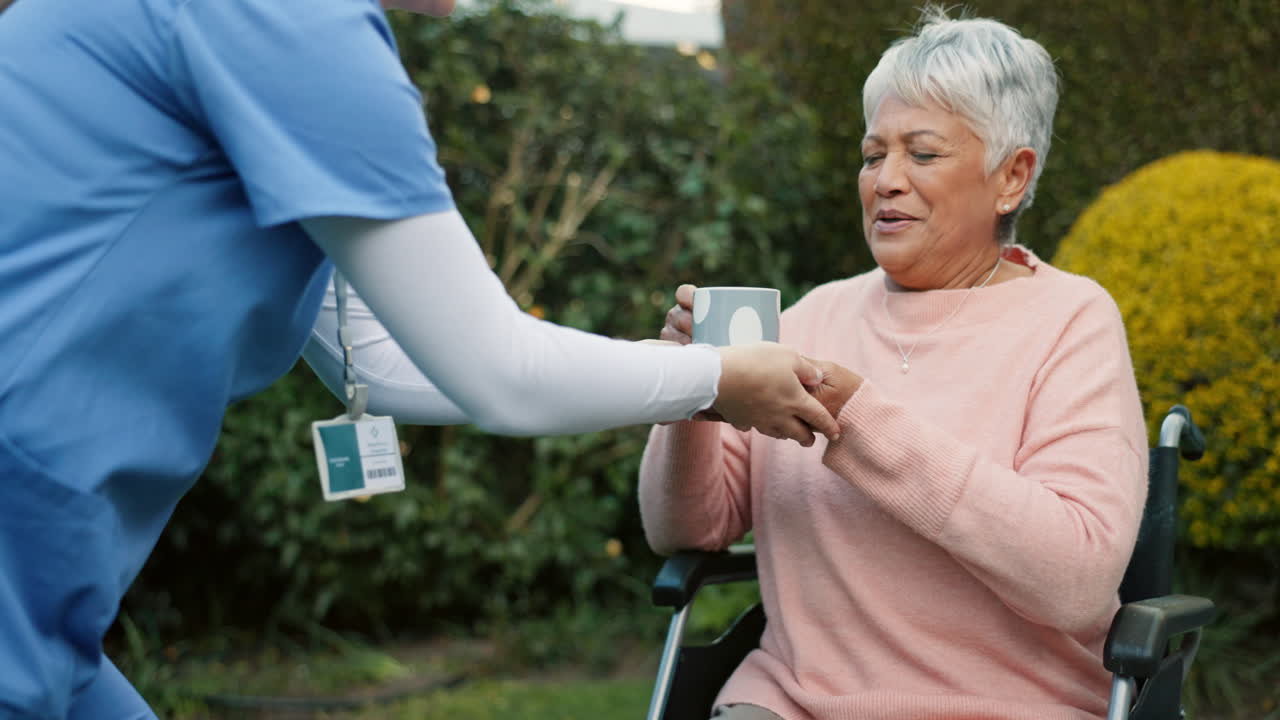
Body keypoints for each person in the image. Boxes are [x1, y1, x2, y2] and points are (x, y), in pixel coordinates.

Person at [0, 0, 842, 716]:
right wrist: (719, 379)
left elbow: (388, 361)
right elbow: (502, 375)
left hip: (44, 584)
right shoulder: (293, 25)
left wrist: (696, 383)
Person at [639, 7, 1148, 720]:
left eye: (924, 153)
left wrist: (860, 421)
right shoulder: (812, 317)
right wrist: (691, 392)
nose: (886, 180)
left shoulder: (1071, 322)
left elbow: (1076, 580)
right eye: (874, 154)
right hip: (794, 704)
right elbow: (688, 532)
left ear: (1011, 176)